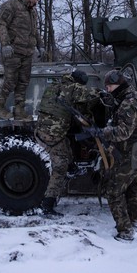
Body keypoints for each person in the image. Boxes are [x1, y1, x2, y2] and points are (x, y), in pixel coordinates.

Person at [35, 69, 103, 217]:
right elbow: (92, 95)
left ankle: (72, 168)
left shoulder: (54, 86)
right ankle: (47, 205)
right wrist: (102, 93)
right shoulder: (74, 88)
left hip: (41, 130)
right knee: (60, 167)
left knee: (67, 146)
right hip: (54, 135)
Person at [98, 69, 137, 241]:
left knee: (113, 191)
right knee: (134, 186)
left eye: (110, 87)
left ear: (119, 85)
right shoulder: (136, 96)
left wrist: (102, 132)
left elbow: (123, 132)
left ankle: (125, 231)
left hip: (130, 151)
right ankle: (133, 222)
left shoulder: (128, 103)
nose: (108, 90)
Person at [0, 0, 45, 120]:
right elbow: (0, 24)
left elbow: (35, 31)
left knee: (23, 82)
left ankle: (19, 110)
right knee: (10, 81)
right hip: (13, 51)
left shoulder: (32, 12)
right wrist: (5, 44)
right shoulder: (11, 6)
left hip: (27, 52)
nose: (35, 1)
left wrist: (41, 46)